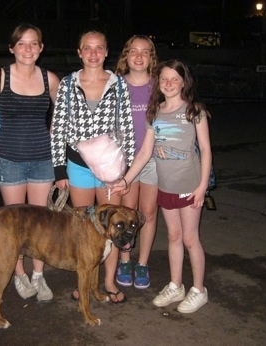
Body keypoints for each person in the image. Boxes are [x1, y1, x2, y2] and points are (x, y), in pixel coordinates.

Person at [0, 23, 60, 301]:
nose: (28, 49)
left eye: (33, 43)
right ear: (12, 48)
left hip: (43, 158)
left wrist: (54, 134)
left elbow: (62, 110)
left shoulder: (49, 79)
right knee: (15, 222)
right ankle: (19, 274)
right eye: (22, 43)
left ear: (41, 48)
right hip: (9, 158)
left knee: (41, 221)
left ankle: (38, 275)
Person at [112, 59, 211, 313]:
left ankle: (199, 289)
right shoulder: (154, 112)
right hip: (165, 186)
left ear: (183, 82)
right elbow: (145, 152)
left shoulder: (194, 111)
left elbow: (207, 151)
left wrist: (201, 187)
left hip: (189, 186)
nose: (169, 83)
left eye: (174, 79)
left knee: (190, 238)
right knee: (174, 236)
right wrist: (126, 179)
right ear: (158, 82)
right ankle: (176, 284)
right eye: (164, 79)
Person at [50, 30, 135, 303]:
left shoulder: (118, 84)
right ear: (79, 52)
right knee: (84, 228)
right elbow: (59, 128)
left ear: (107, 52)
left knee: (114, 229)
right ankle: (85, 282)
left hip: (111, 169)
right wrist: (59, 170)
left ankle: (108, 282)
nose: (94, 53)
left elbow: (127, 128)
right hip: (78, 165)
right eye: (88, 48)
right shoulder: (67, 84)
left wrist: (127, 171)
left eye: (99, 48)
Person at [115, 35, 158, 289]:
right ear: (126, 56)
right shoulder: (115, 85)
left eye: (145, 52)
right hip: (125, 161)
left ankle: (142, 263)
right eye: (134, 51)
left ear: (151, 57)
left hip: (153, 160)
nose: (139, 56)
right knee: (127, 213)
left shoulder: (159, 86)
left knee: (149, 213)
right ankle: (124, 260)